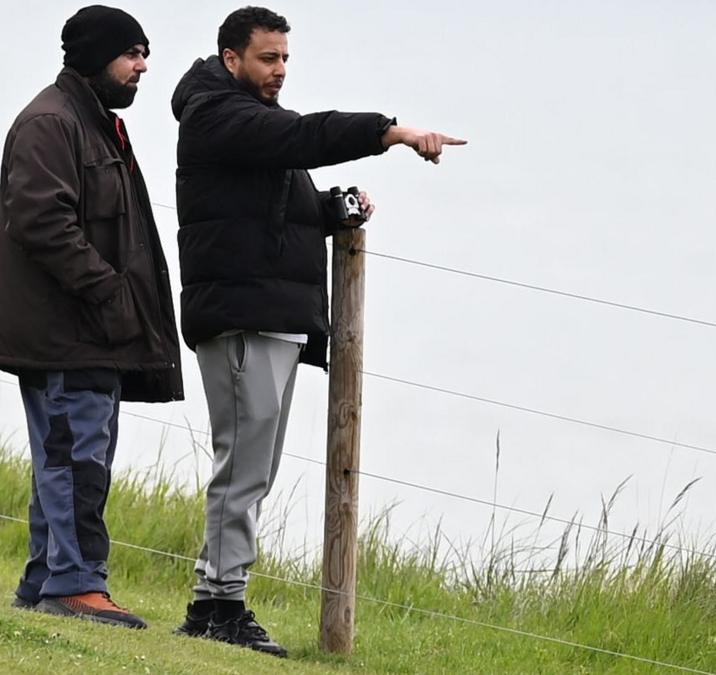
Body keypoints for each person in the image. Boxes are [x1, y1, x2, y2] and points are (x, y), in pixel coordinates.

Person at [170, 5, 466, 655]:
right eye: (267, 58)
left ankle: (219, 599)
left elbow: (276, 203)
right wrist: (390, 132)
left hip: (271, 318)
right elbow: (307, 136)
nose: (279, 70)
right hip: (242, 318)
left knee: (255, 468)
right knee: (243, 469)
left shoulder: (250, 124)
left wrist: (335, 209)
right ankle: (216, 605)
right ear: (231, 59)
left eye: (284, 59)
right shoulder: (219, 116)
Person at [0, 5, 183, 630]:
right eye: (132, 53)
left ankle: (44, 580)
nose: (141, 67)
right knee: (76, 457)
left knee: (69, 454)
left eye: (145, 55)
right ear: (95, 57)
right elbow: (41, 221)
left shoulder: (93, 122)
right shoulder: (50, 124)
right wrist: (109, 295)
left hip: (87, 330)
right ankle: (75, 585)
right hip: (67, 332)